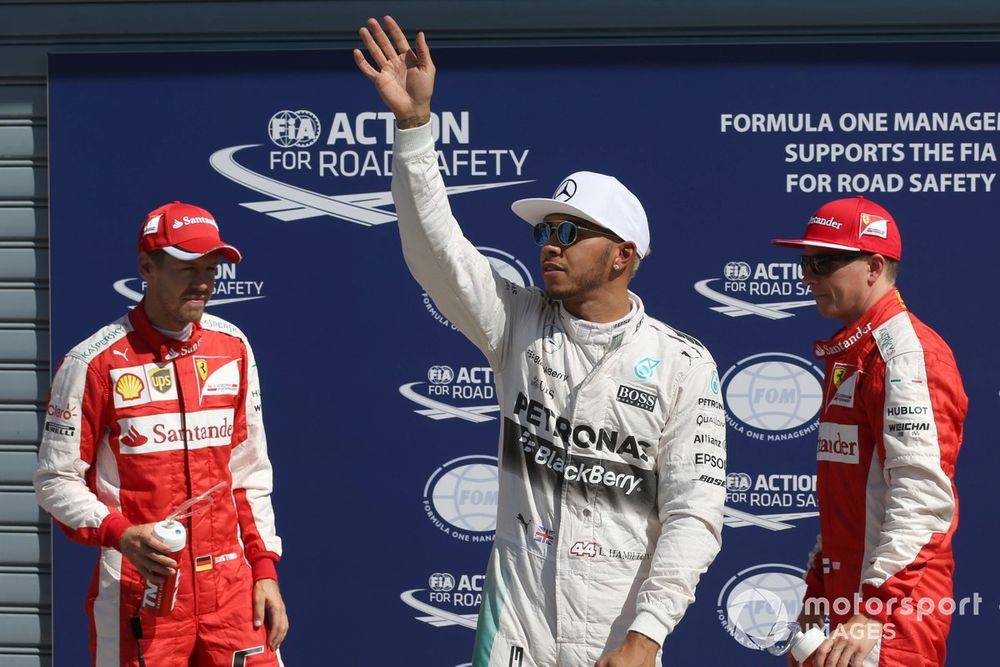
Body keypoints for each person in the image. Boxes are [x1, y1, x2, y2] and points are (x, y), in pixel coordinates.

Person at [355, 16, 726, 667]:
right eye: (545, 230)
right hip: (516, 629)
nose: (550, 242)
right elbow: (435, 251)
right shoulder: (516, 320)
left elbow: (695, 513)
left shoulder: (683, 362)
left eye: (570, 231)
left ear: (622, 255)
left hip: (620, 635)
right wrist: (414, 127)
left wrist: (647, 632)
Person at [34, 201, 288, 666]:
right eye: (188, 267)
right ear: (146, 266)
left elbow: (250, 473)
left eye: (211, 268)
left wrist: (265, 570)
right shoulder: (93, 362)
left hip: (233, 591)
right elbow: (54, 481)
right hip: (140, 591)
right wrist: (122, 533)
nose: (204, 282)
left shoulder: (232, 346)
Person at [772, 196, 967, 667]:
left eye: (824, 262)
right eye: (805, 261)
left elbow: (923, 499)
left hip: (894, 620)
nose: (808, 276)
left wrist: (873, 609)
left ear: (874, 266)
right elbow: (850, 499)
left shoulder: (904, 355)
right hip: (857, 611)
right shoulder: (852, 353)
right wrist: (819, 591)